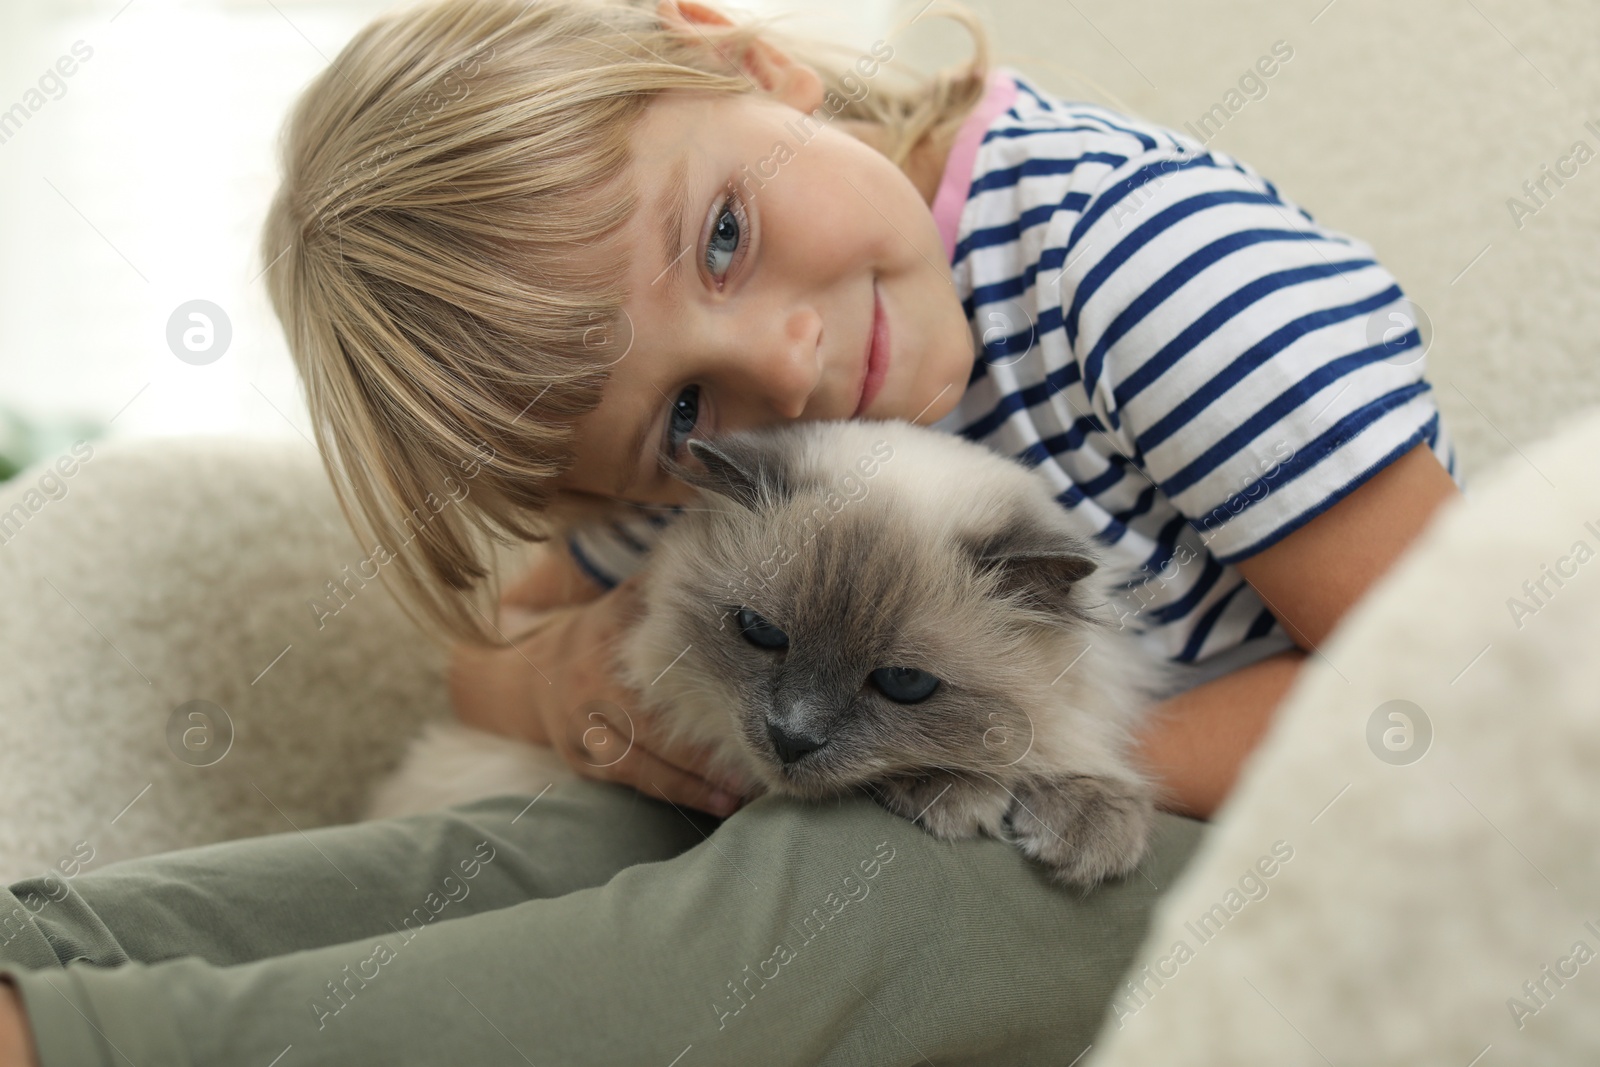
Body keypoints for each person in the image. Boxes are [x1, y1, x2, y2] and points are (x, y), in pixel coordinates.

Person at [0, 0, 1464, 1062]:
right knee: (548, 834)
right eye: (688, 418)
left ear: (743, 55)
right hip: (915, 812)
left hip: (1233, 859)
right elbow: (493, 649)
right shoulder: (736, 447)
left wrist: (995, 758)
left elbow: (1447, 674)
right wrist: (559, 688)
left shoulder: (1140, 266)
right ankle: (43, 962)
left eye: (722, 236)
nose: (787, 362)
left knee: (857, 888)